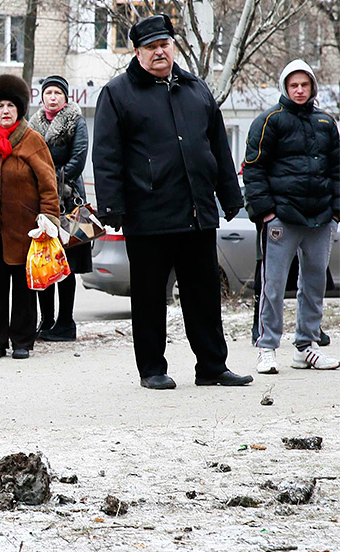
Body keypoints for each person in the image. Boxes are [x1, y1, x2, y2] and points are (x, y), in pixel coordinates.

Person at [92, 14, 252, 390]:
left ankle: (212, 366)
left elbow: (218, 147)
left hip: (197, 213)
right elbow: (106, 154)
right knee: (149, 297)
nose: (159, 52)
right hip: (148, 215)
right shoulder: (117, 93)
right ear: (137, 52)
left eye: (164, 44)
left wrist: (230, 195)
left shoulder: (196, 89)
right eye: (150, 47)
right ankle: (152, 369)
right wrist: (112, 207)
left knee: (204, 295)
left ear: (173, 46)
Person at [243, 59, 340, 373]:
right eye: (294, 85)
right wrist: (265, 212)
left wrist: (336, 211)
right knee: (273, 285)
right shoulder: (269, 121)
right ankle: (267, 347)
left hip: (320, 218)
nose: (299, 90)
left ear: (312, 87)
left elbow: (337, 169)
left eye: (305, 84)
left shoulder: (326, 123)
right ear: (285, 87)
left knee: (314, 284)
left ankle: (306, 347)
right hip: (282, 218)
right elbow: (253, 169)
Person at [0, 74, 61, 360]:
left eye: (10, 106)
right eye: (0, 106)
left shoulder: (32, 140)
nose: (5, 111)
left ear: (19, 110)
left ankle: (22, 342)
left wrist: (49, 218)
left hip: (26, 230)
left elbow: (49, 185)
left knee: (24, 289)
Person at [30, 75, 91, 342]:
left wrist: (52, 181)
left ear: (65, 97)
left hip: (68, 199)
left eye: (57, 93)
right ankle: (47, 320)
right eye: (48, 93)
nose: (52, 97)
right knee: (44, 259)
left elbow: (78, 159)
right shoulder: (34, 124)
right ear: (42, 96)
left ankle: (66, 323)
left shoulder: (75, 121)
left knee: (67, 263)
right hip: (41, 201)